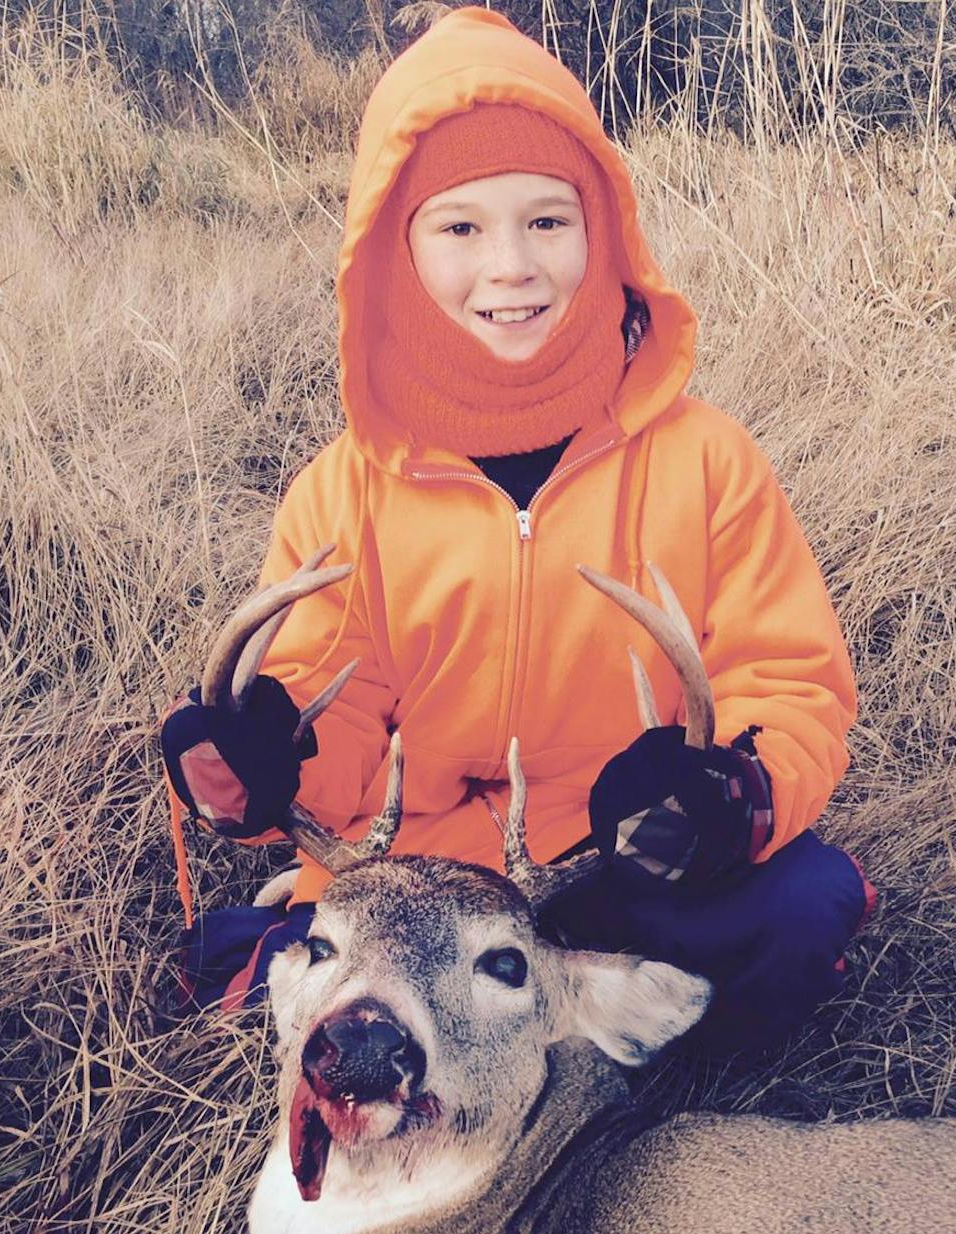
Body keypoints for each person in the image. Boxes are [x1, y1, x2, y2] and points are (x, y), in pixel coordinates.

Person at [159, 6, 869, 1053]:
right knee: (300, 962)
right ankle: (323, 956)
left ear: (605, 232)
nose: (512, 268)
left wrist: (729, 797)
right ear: (391, 253)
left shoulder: (706, 460)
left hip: (624, 861)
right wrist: (269, 758)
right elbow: (335, 714)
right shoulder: (343, 491)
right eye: (459, 228)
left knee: (804, 903)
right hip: (420, 884)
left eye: (547, 221)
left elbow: (790, 682)